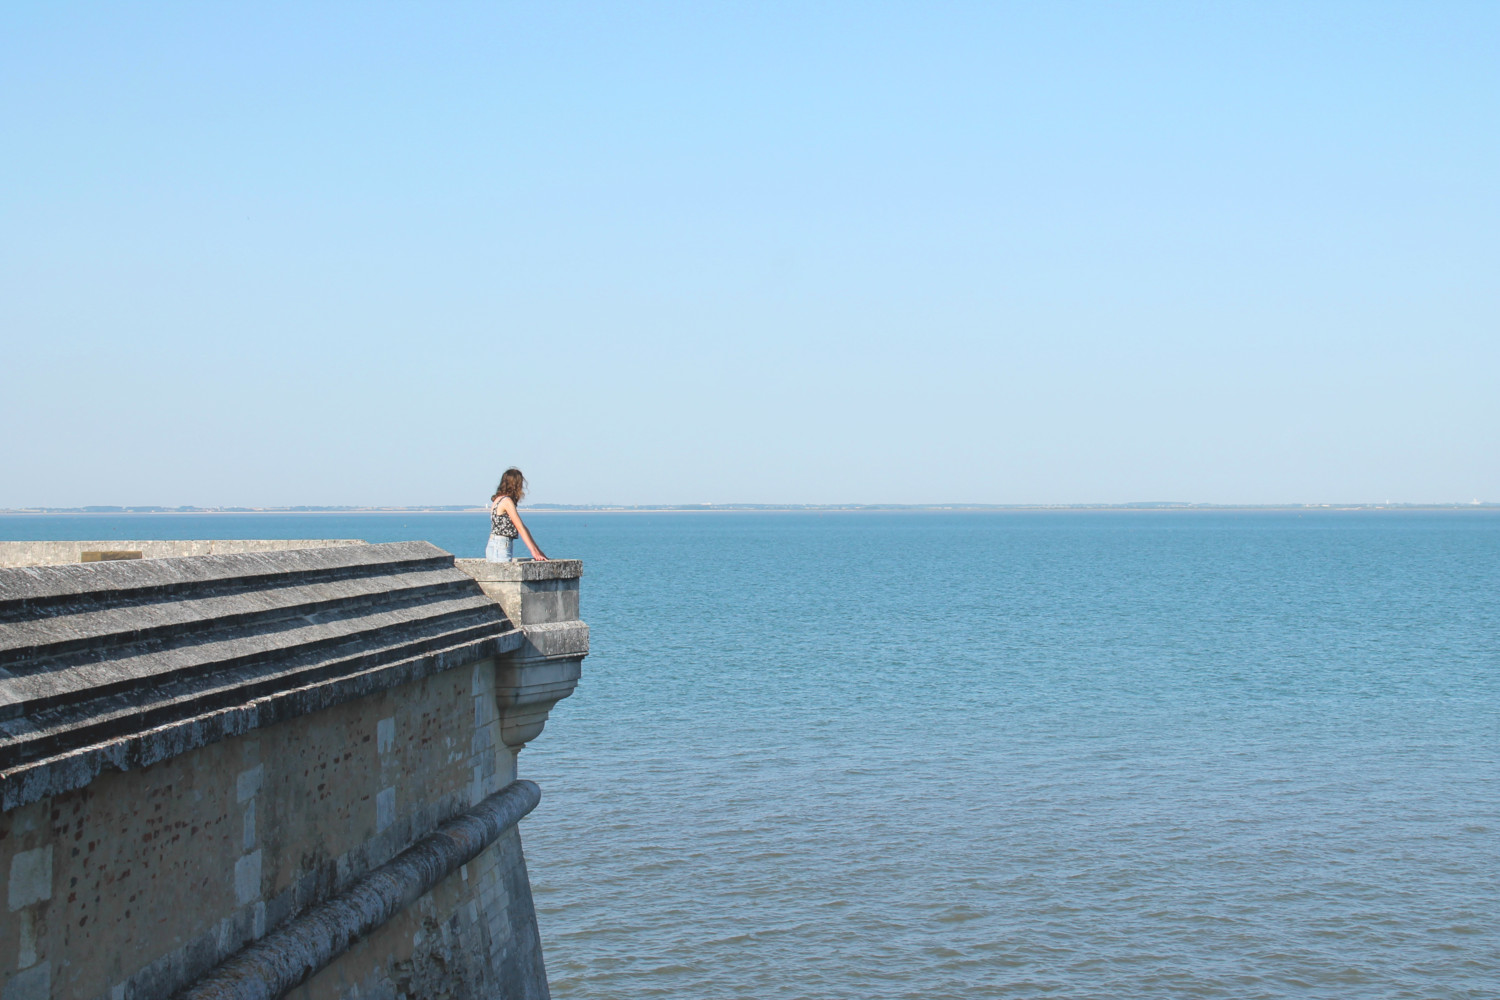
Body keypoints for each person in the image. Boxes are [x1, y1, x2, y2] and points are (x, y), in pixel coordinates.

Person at [487, 468, 548, 562]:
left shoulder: (497, 500)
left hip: (494, 544)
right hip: (501, 545)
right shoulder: (507, 501)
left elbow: (523, 527)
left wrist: (538, 550)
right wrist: (534, 552)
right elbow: (520, 527)